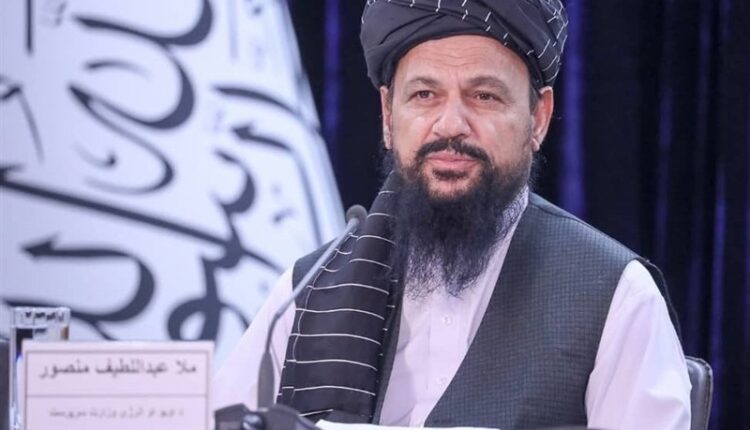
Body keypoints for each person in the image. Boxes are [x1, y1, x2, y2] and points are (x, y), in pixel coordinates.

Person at [214, 1, 692, 428]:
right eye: (425, 95)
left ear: (538, 118)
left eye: (484, 96)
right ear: (388, 115)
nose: (450, 126)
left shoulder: (616, 296)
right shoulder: (308, 293)